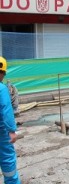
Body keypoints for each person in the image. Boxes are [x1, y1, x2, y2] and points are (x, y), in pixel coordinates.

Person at [0, 56, 21, 184]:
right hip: (1, 132)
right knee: (8, 160)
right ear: (2, 73)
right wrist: (12, 130)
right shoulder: (1, 89)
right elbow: (6, 111)